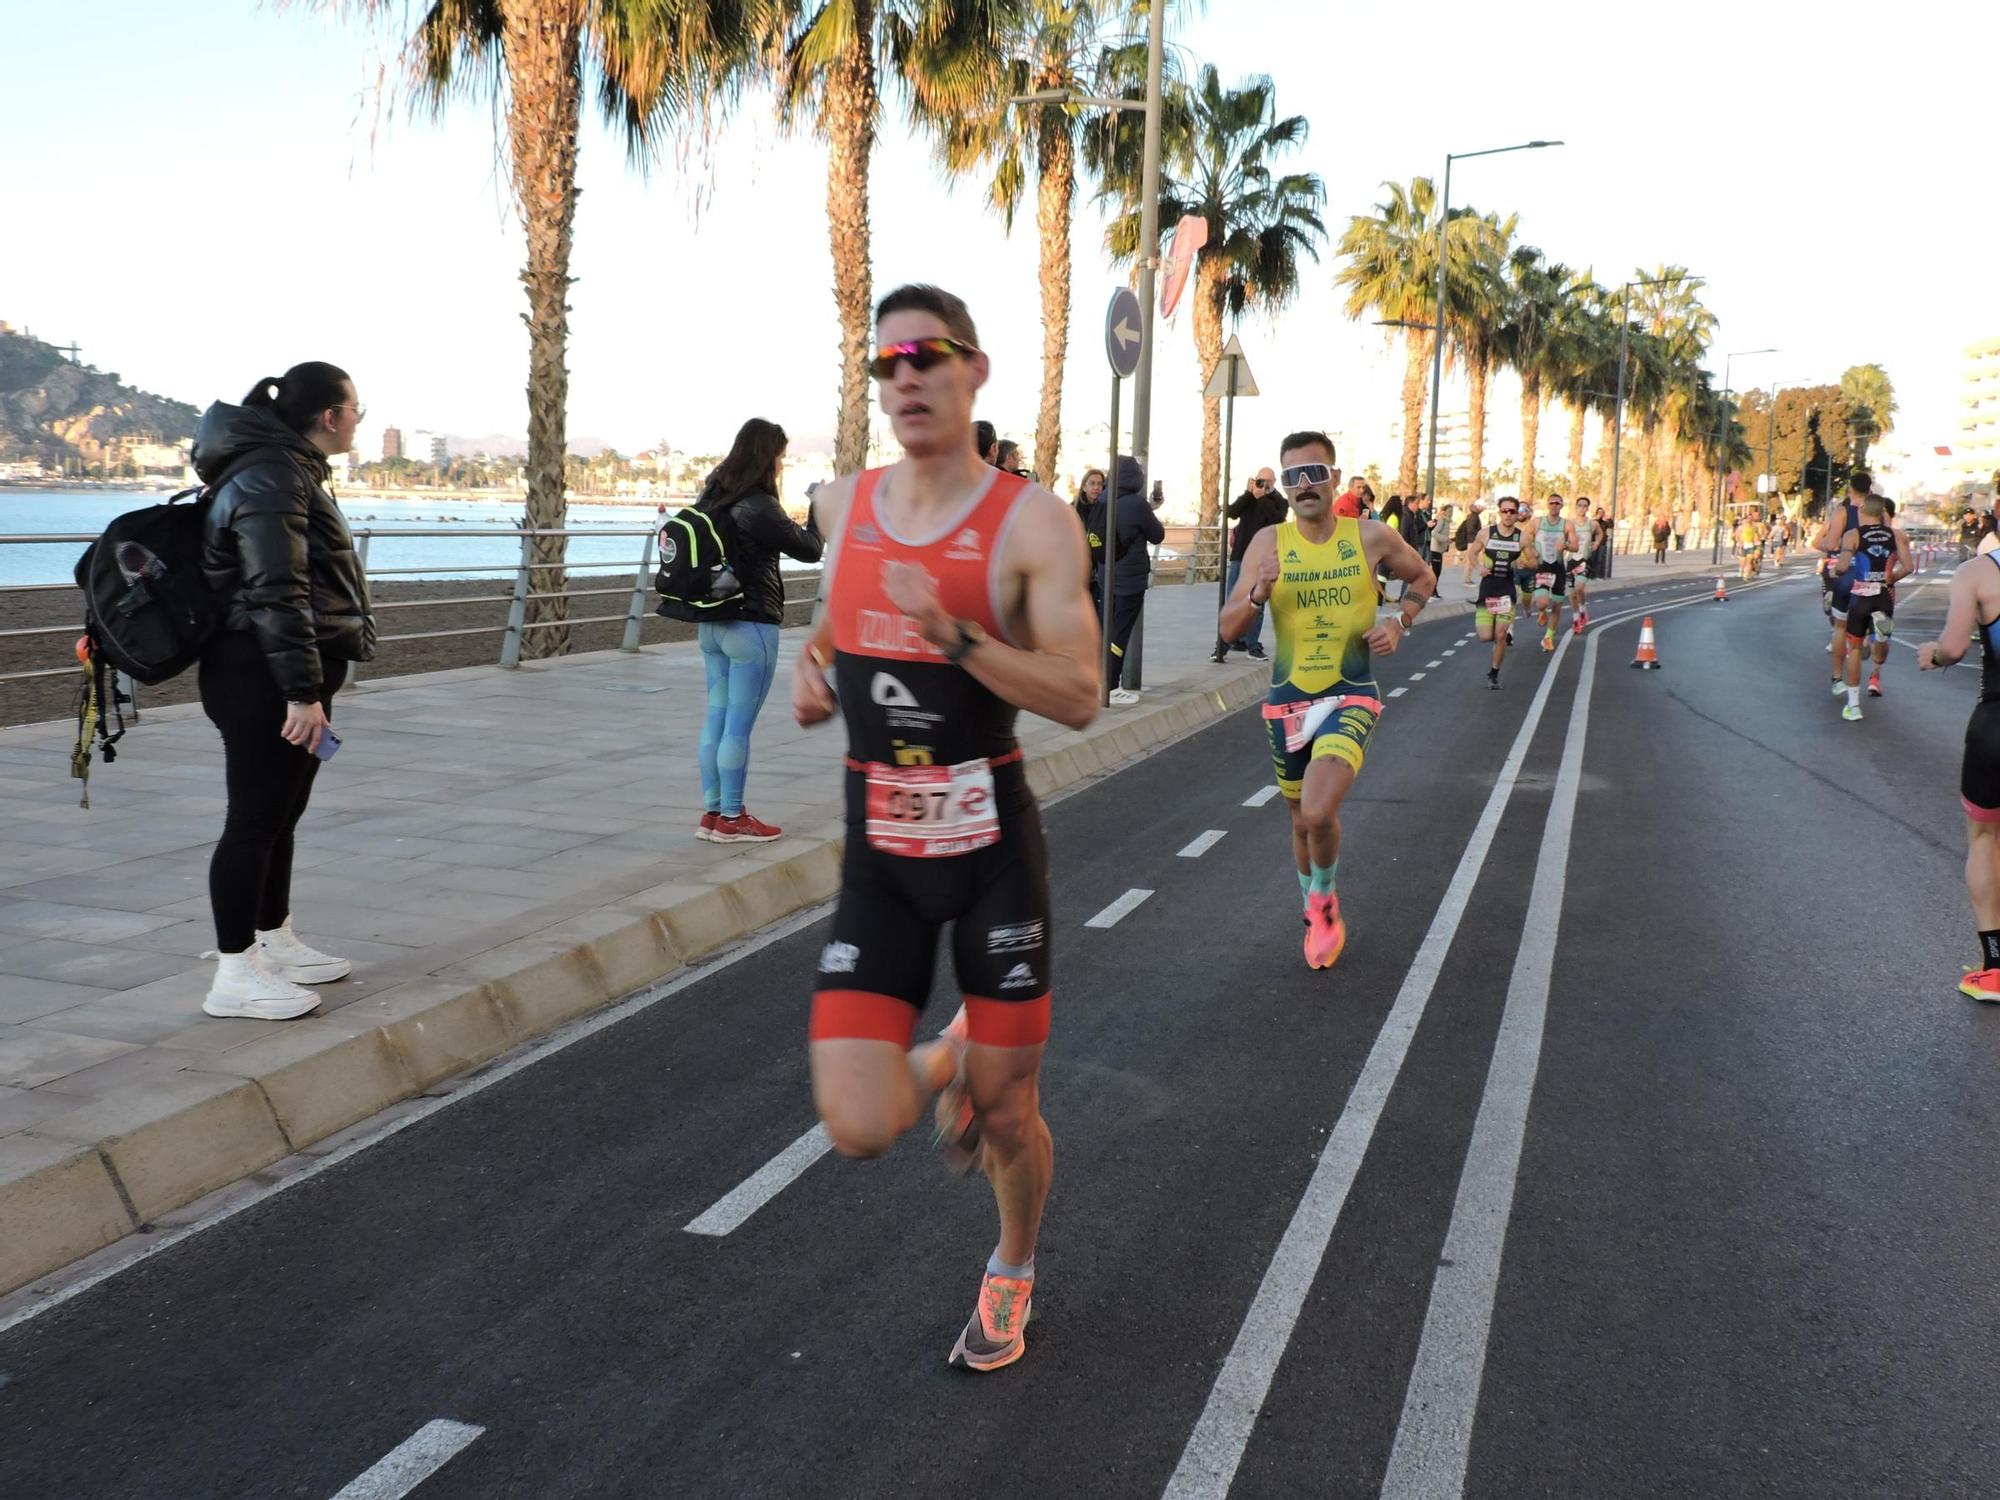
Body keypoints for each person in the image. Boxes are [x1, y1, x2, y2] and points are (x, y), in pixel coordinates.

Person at [793, 283, 1099, 1373]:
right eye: (886, 363)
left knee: (1007, 1117)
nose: (906, 376)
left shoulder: (1030, 521)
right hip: (879, 854)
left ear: (974, 370)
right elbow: (841, 601)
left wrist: (956, 636)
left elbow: (1078, 693)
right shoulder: (840, 504)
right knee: (859, 1123)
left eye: (927, 356)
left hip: (988, 857)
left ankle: (1012, 1265)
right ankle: (949, 1050)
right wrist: (816, 662)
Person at [194, 363, 375, 1021]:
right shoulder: (272, 476)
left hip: (280, 671)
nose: (360, 417)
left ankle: (275, 941)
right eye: (356, 406)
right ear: (330, 416)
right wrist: (301, 693)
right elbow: (277, 590)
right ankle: (234, 974)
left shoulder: (285, 469)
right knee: (253, 820)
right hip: (259, 675)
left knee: (281, 814)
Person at [1217, 431, 1434, 969]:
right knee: (1299, 821)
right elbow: (1227, 628)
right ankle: (1314, 906)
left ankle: (1324, 900)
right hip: (1287, 700)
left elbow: (1424, 576)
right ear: (1284, 485)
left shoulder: (1371, 537)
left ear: (1335, 477)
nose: (1304, 485)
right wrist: (1257, 594)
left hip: (1351, 694)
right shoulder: (1268, 543)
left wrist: (1400, 621)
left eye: (1315, 473)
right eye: (1292, 477)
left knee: (1317, 809)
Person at [688, 418, 823, 844]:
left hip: (712, 623)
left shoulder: (714, 493)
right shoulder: (759, 504)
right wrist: (818, 505)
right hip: (751, 627)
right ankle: (732, 817)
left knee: (716, 718)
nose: (782, 465)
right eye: (781, 456)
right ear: (769, 456)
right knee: (738, 727)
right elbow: (809, 548)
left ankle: (712, 814)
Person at [1831, 489, 1911, 719]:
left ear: (1863, 511)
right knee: (1879, 647)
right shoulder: (1895, 534)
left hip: (1862, 594)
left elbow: (1843, 566)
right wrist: (1891, 578)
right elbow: (1908, 567)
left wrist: (1836, 570)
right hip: (1884, 595)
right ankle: (1881, 637)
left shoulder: (1853, 535)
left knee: (1854, 649)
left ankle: (1853, 706)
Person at [1100, 456, 1164, 703]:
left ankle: (1100, 682)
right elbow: (1157, 535)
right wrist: (1149, 509)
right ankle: (1112, 687)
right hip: (1130, 580)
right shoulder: (1137, 504)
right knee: (1120, 633)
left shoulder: (1104, 499)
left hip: (1107, 576)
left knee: (1107, 630)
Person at [1215, 466, 1284, 662]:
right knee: (1231, 600)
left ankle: (1253, 645)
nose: (1264, 484)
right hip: (1240, 556)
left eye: (1267, 481)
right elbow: (1231, 512)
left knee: (1258, 602)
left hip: (1262, 559)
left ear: (1274, 482)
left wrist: (1262, 498)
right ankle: (1224, 645)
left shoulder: (1278, 501)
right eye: (1260, 480)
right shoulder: (1248, 498)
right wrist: (1249, 493)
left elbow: (1277, 520)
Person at [1814, 473, 1870, 694]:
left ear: (1850, 489)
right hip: (1869, 575)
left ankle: (1838, 679)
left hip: (1847, 572)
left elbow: (1831, 543)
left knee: (1840, 627)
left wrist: (1826, 540)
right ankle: (1866, 640)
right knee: (1859, 630)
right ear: (1870, 489)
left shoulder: (1844, 512)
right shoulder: (1879, 512)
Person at [1464, 497, 1527, 689]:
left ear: (1517, 514)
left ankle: (1494, 674)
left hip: (1507, 589)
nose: (1508, 515)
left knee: (1500, 635)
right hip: (1488, 588)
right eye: (1505, 511)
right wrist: (1479, 568)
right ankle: (1501, 634)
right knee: (1485, 636)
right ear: (1499, 512)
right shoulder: (1486, 534)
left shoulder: (1522, 537)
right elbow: (1471, 553)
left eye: (1512, 511)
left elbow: (1534, 560)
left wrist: (1524, 563)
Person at [1528, 493, 1577, 652]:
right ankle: (1542, 611)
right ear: (1547, 505)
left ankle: (1548, 637)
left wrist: (1566, 547)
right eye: (1551, 503)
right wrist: (1531, 553)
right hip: (1542, 567)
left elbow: (1576, 546)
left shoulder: (1567, 524)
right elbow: (1524, 539)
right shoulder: (1537, 522)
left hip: (1558, 568)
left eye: (1557, 503)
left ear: (1562, 505)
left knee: (1556, 605)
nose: (1554, 505)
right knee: (1542, 602)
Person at [1568, 496, 1598, 632]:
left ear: (1588, 508)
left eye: (1585, 505)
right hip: (1571, 560)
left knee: (1579, 587)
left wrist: (1596, 542)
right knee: (1572, 593)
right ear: (1576, 507)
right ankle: (1576, 620)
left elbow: (1600, 534)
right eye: (1579, 505)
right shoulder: (1569, 524)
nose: (1582, 508)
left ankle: (1582, 610)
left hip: (1585, 560)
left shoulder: (1592, 524)